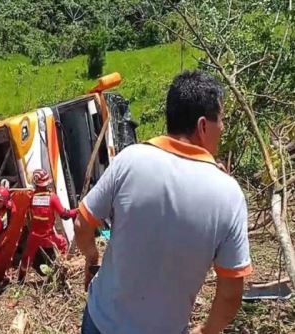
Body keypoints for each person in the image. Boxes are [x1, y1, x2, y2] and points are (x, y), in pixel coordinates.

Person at [75, 70, 252, 334]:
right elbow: (230, 293)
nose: (223, 128)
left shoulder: (129, 160)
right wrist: (205, 331)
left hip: (101, 323)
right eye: (222, 120)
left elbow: (81, 224)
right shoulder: (229, 195)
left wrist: (92, 257)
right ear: (203, 126)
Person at [18, 169, 77, 281]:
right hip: (47, 236)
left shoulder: (31, 197)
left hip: (34, 236)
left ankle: (20, 280)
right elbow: (64, 214)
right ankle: (63, 272)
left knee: (26, 257)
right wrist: (77, 211)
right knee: (63, 243)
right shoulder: (52, 197)